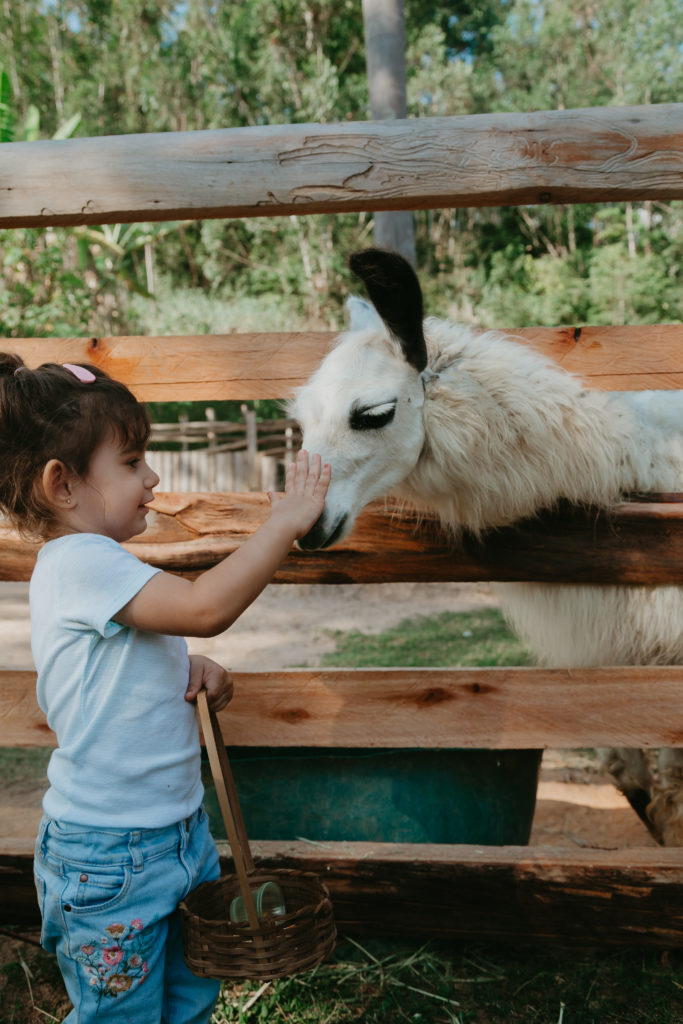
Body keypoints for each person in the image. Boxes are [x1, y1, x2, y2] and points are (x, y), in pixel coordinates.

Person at [0, 354, 331, 1024]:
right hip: (109, 856)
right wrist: (283, 524)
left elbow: (129, 660)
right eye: (131, 462)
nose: (152, 477)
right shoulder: (82, 562)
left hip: (175, 836)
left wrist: (189, 668)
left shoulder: (97, 567)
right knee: (119, 1014)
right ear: (61, 484)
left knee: (188, 998)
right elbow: (205, 606)